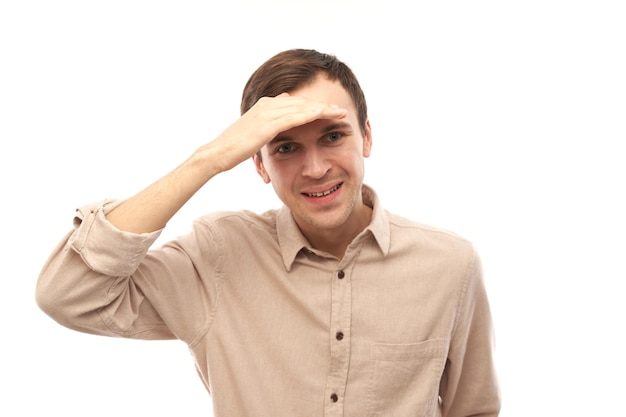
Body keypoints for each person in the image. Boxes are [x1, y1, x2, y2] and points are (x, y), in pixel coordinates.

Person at [36, 48, 500, 416]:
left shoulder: (450, 264)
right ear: (257, 163)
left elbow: (473, 410)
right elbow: (69, 293)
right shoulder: (217, 257)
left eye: (334, 136)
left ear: (367, 137)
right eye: (286, 147)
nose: (315, 168)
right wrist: (210, 158)